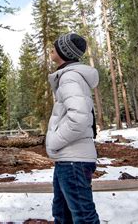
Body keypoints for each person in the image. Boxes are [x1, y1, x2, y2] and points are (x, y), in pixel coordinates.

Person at [45, 32, 100, 224]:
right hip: (68, 159)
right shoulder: (70, 77)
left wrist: (54, 140)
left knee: (83, 217)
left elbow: (79, 118)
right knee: (62, 214)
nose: (51, 48)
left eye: (56, 46)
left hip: (73, 161)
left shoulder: (69, 78)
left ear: (64, 53)